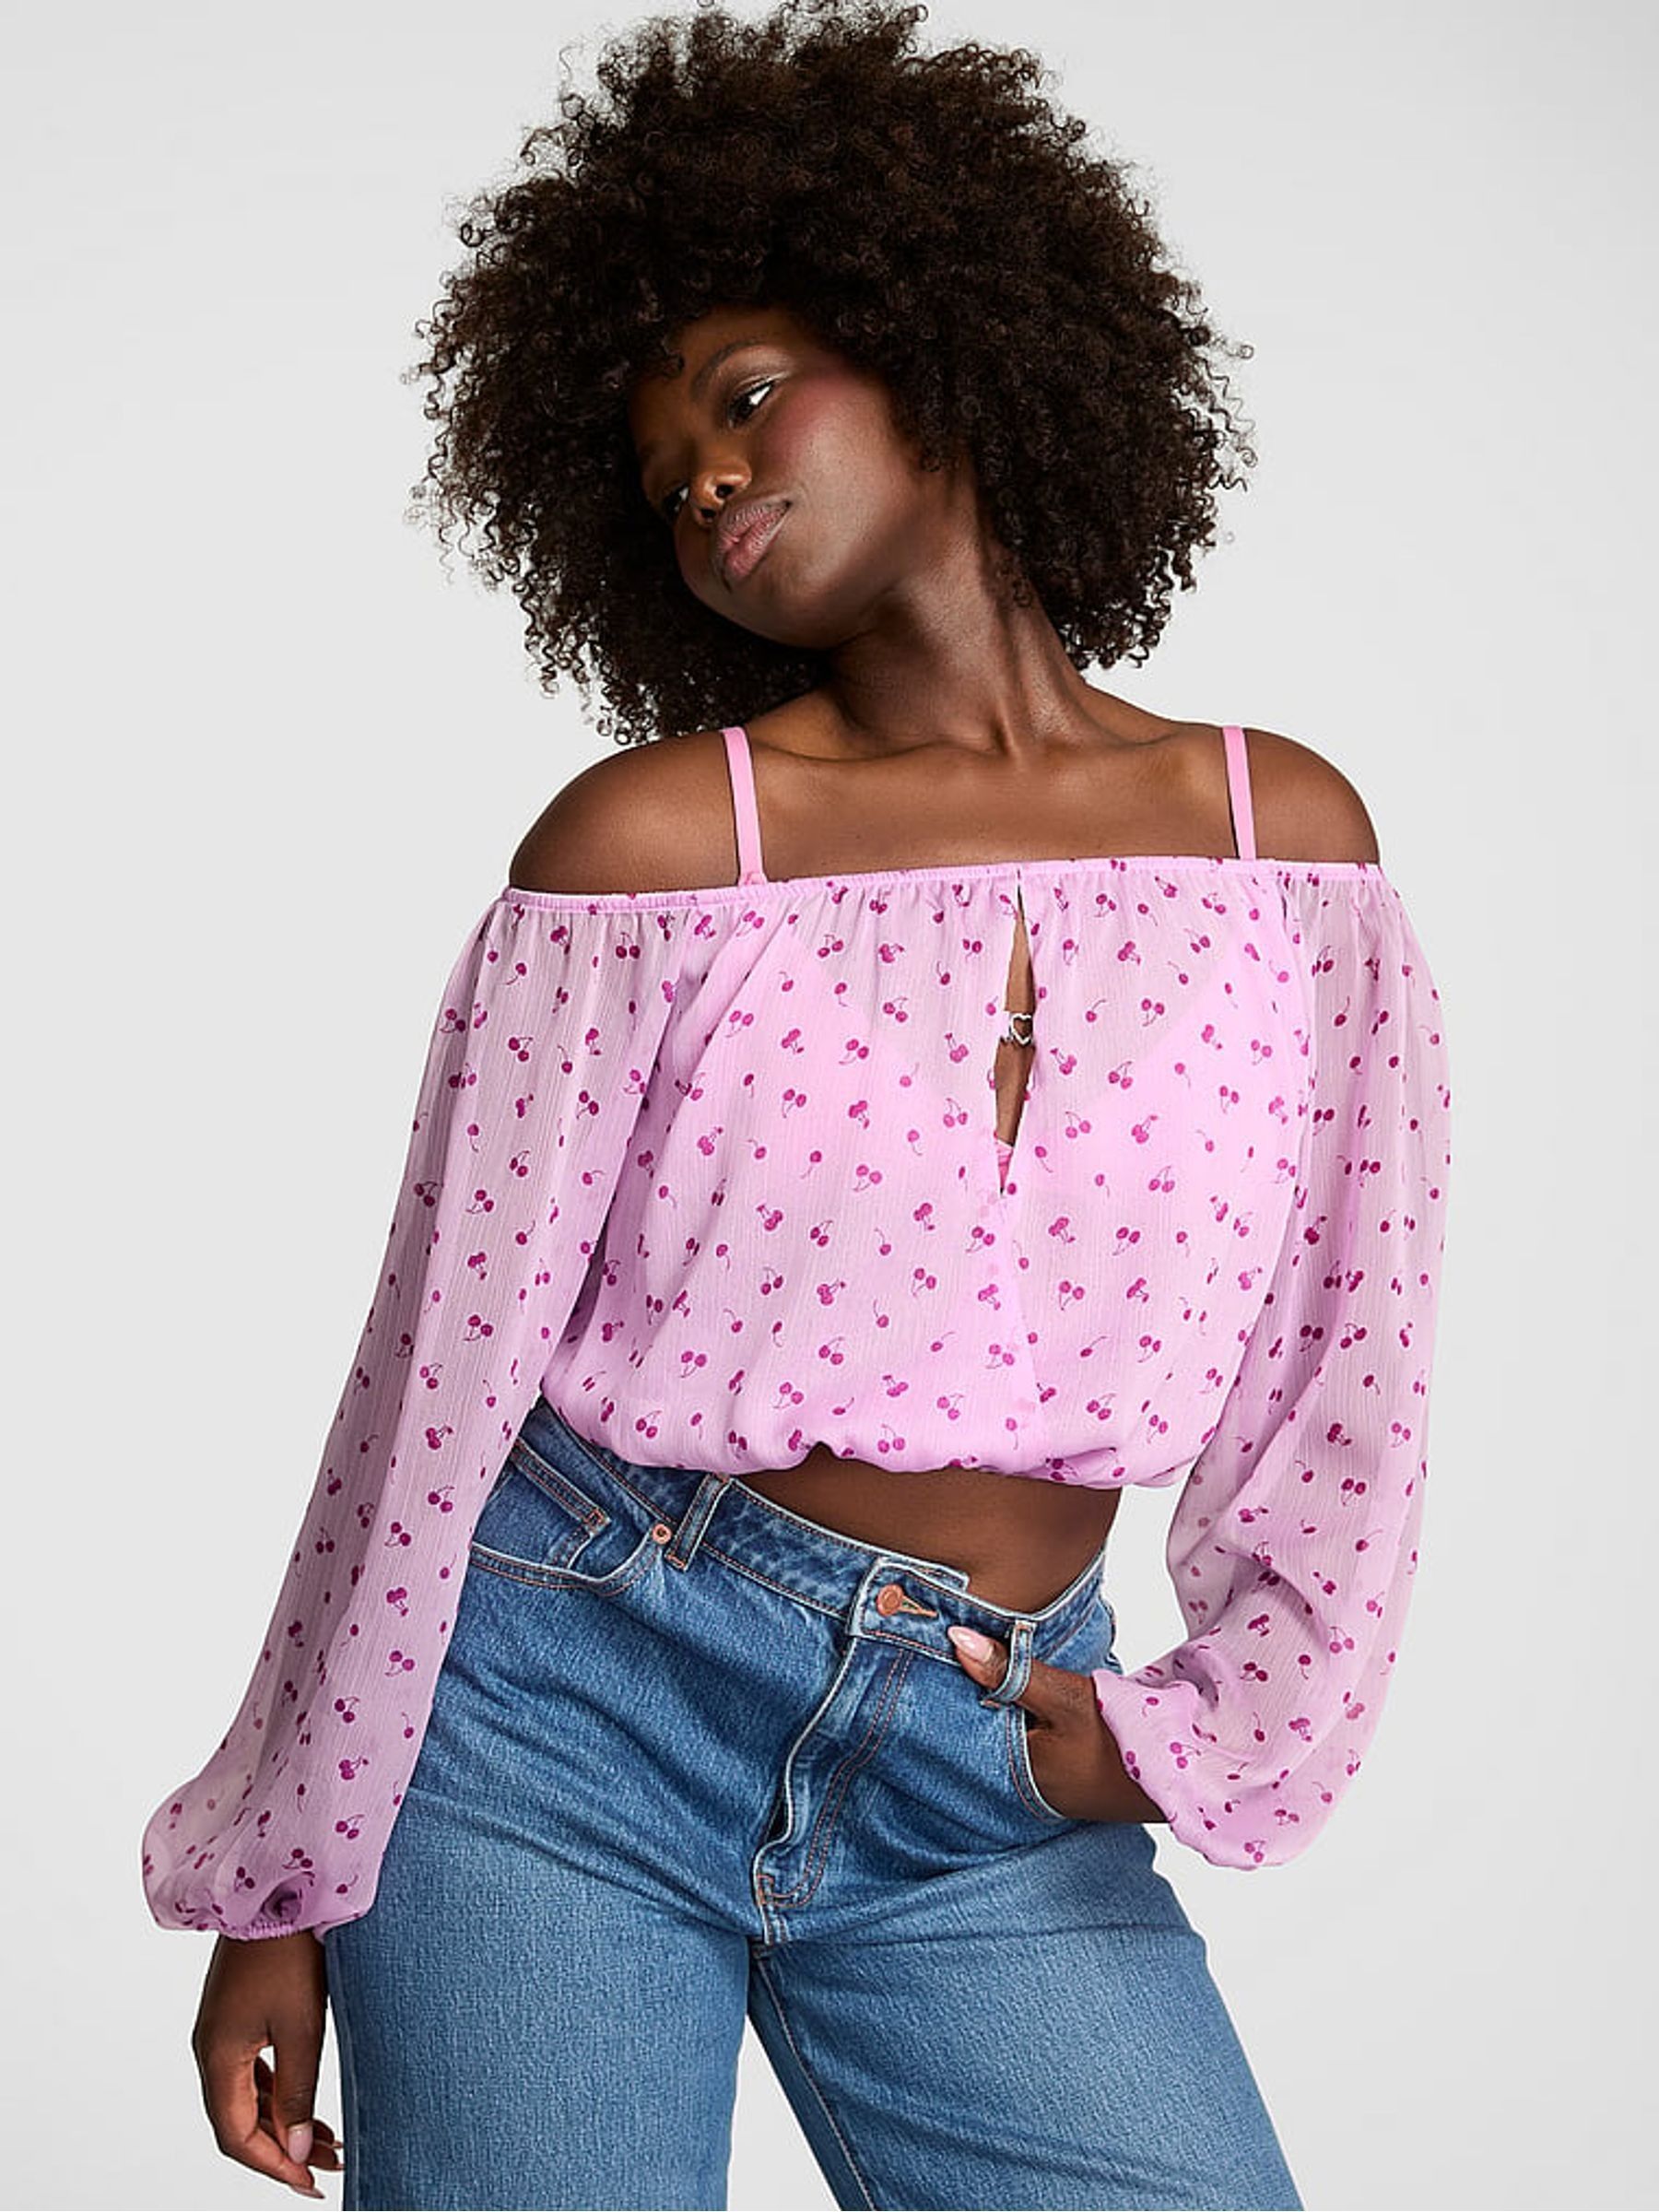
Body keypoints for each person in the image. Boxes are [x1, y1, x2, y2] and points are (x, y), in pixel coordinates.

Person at [141, 3, 1453, 2206]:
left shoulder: (1284, 845)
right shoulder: (648, 854)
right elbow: (431, 1382)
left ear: (935, 340)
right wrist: (291, 1859)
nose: (710, 481)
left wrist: (1211, 1730)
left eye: (747, 396)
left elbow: (1356, 1354)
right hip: (556, 1708)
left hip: (991, 1759)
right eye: (667, 471)